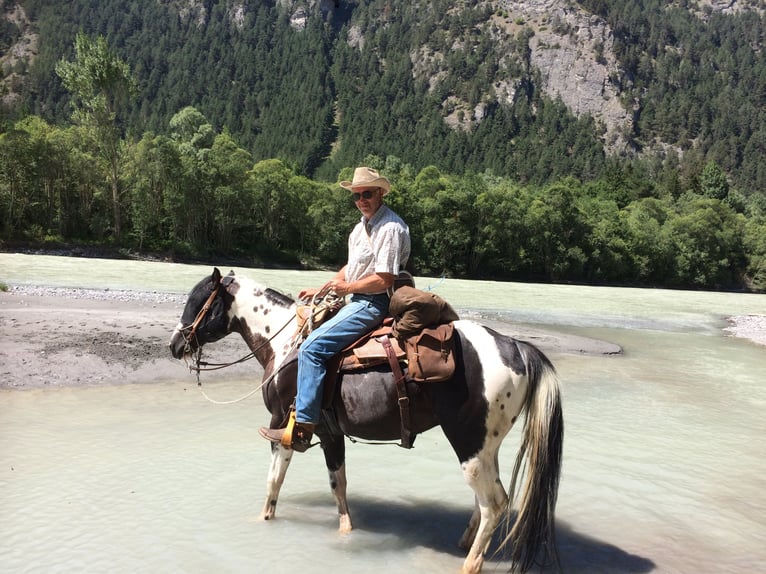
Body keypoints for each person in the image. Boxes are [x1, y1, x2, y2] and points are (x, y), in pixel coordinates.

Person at [259, 167, 411, 451]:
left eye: (367, 193)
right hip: (357, 298)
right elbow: (352, 268)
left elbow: (384, 278)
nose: (361, 200)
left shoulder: (389, 227)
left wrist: (347, 289)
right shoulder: (360, 228)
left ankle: (303, 427)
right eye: (356, 195)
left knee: (312, 348)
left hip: (374, 303)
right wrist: (327, 286)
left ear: (380, 193)